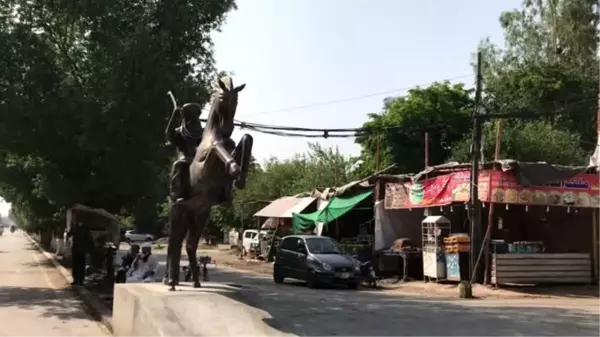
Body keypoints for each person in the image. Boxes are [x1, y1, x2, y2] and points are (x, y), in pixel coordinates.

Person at [165, 101, 203, 204]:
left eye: (195, 115)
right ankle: (177, 193)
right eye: (190, 115)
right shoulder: (179, 132)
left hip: (199, 158)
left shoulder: (202, 132)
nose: (193, 119)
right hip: (185, 157)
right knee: (179, 165)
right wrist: (174, 115)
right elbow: (169, 133)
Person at [67, 218, 90, 286]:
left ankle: (81, 280)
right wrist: (70, 229)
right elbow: (69, 234)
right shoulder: (75, 227)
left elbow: (88, 239)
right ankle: (75, 280)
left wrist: (87, 249)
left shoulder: (85, 229)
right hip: (75, 249)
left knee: (81, 266)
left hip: (82, 250)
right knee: (75, 265)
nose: (79, 222)